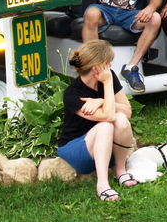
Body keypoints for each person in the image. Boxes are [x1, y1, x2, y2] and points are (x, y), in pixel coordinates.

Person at [57, 40, 136, 202]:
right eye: (107, 63)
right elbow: (107, 116)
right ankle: (102, 185)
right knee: (106, 125)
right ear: (96, 68)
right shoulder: (72, 94)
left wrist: (100, 100)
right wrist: (107, 84)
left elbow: (127, 111)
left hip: (106, 149)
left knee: (120, 119)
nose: (110, 66)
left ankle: (120, 172)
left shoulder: (109, 77)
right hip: (77, 150)